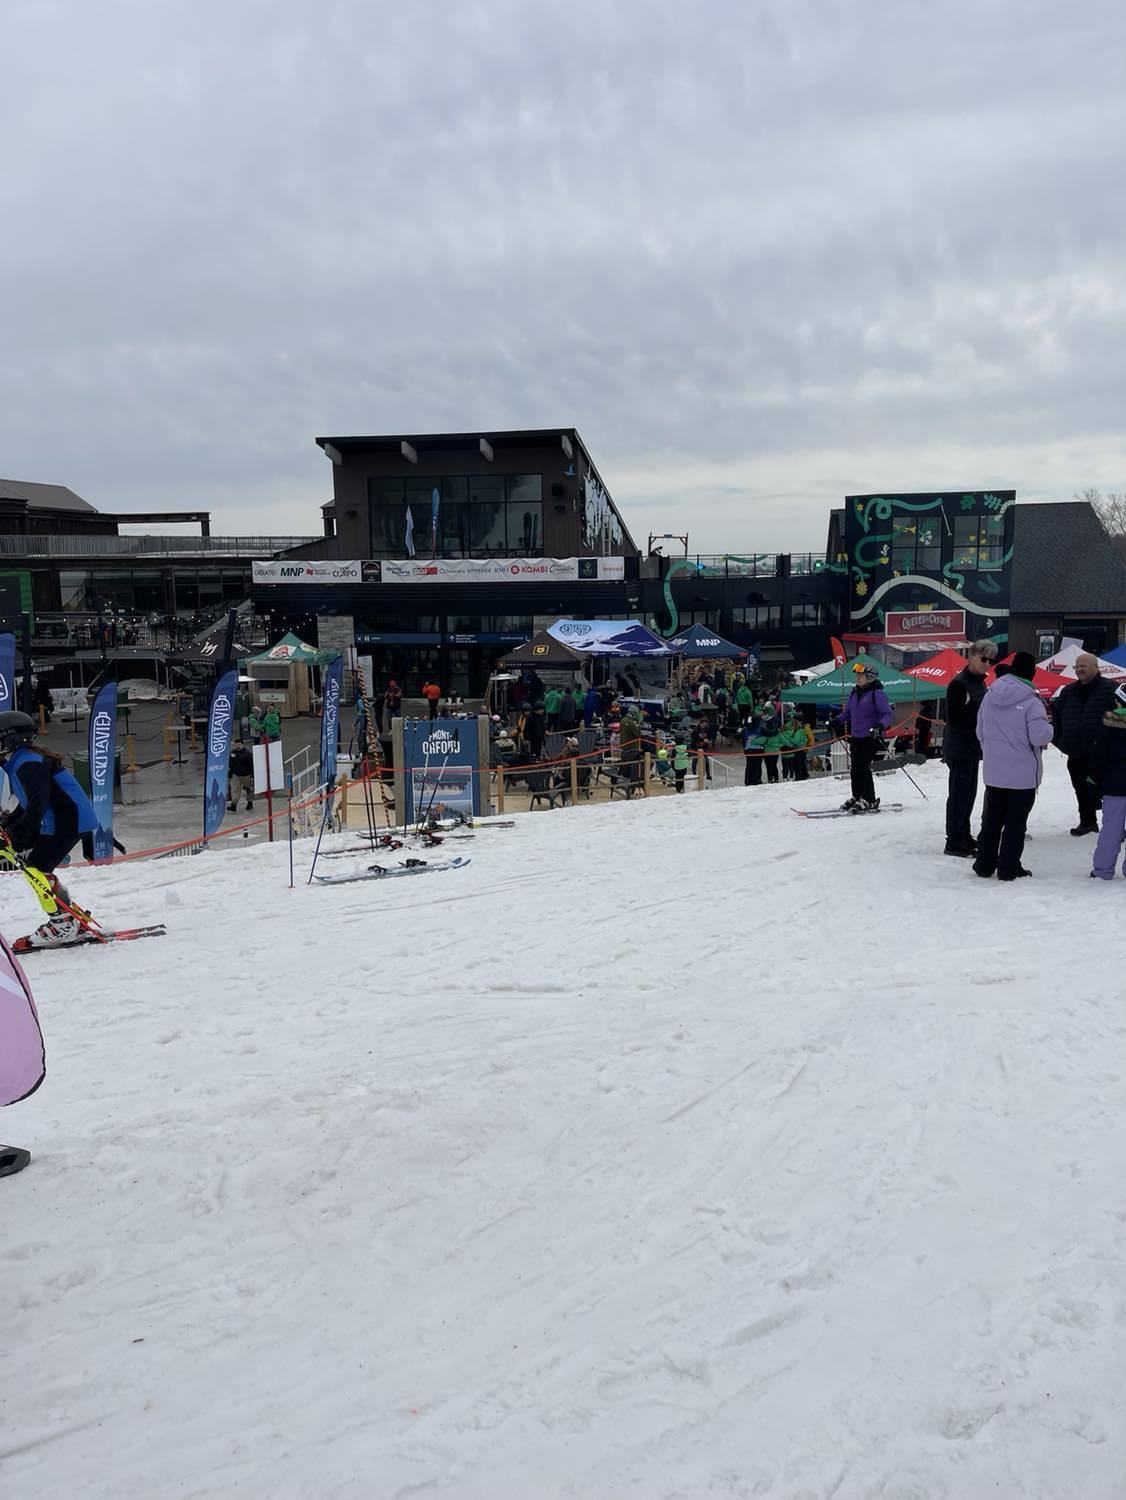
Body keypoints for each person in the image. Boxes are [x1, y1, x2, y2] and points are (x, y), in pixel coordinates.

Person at [0, 711, 98, 946]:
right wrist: (6, 827)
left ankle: (62, 923)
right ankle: (68, 917)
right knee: (37, 869)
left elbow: (37, 807)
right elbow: (26, 807)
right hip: (64, 819)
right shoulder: (21, 761)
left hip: (69, 820)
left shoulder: (28, 764)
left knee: (36, 869)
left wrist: (12, 835)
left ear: (12, 739)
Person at [973, 652, 1053, 880]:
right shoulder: (1032, 701)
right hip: (1022, 776)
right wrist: (1051, 728)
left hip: (994, 771)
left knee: (991, 821)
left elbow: (980, 731)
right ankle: (1008, 867)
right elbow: (1040, 737)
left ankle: (984, 865)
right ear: (1032, 673)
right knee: (1015, 824)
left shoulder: (990, 696)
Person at [942, 640, 997, 857]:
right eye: (983, 659)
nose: (987, 664)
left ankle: (963, 835)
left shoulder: (979, 682)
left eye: (990, 660)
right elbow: (954, 717)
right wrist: (982, 720)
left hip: (972, 746)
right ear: (972, 656)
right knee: (959, 795)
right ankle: (954, 840)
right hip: (959, 746)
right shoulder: (959, 683)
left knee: (969, 794)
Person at [1052, 652, 1116, 836]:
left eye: (1083, 666)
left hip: (1104, 754)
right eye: (1077, 667)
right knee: (1080, 787)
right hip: (1076, 751)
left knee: (1108, 790)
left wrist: (1113, 743)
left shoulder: (1111, 689)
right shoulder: (1068, 691)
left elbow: (1121, 717)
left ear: (1096, 668)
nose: (1079, 670)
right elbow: (1056, 718)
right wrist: (1061, 741)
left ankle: (1115, 826)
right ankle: (1087, 822)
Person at [836, 662, 892, 811]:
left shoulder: (877, 694)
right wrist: (836, 721)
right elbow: (847, 713)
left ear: (870, 677)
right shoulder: (855, 693)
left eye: (860, 676)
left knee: (863, 767)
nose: (857, 678)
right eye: (857, 676)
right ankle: (857, 795)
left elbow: (886, 715)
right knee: (854, 768)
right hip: (856, 736)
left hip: (871, 737)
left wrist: (880, 726)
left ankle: (870, 799)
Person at [1089, 684, 1126, 880]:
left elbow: (1098, 756)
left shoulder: (1108, 725)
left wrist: (1093, 779)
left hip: (1114, 785)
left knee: (1111, 829)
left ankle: (1103, 869)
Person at [227, 739, 254, 811]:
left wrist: (253, 776)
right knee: (235, 791)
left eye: (239, 745)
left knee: (249, 790)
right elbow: (231, 764)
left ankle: (250, 803)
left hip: (246, 775)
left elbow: (252, 765)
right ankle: (234, 805)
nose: (238, 747)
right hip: (236, 775)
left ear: (243, 745)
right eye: (236, 745)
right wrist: (230, 774)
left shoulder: (248, 754)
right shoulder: (233, 753)